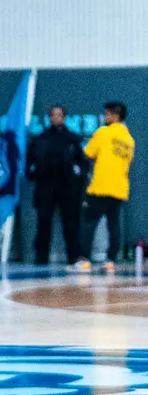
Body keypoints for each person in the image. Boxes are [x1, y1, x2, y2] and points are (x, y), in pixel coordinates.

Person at [75, 101, 135, 274]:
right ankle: (111, 261)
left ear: (115, 116)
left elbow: (88, 154)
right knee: (113, 226)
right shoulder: (129, 140)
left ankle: (84, 260)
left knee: (88, 223)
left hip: (100, 187)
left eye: (107, 114)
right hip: (119, 189)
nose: (105, 117)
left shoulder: (103, 132)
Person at [27, 104, 85, 266]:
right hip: (45, 185)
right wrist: (32, 173)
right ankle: (41, 257)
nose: (56, 118)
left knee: (71, 222)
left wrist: (77, 177)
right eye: (53, 115)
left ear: (64, 117)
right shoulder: (41, 139)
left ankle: (73, 256)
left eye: (59, 115)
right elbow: (30, 161)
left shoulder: (73, 139)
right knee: (43, 221)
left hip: (68, 187)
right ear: (49, 117)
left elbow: (82, 162)